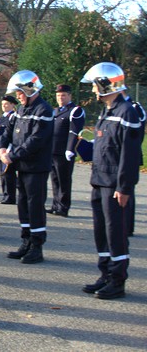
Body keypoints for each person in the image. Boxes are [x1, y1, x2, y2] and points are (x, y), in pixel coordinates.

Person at [80, 62, 141, 300]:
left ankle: (117, 280)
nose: (93, 91)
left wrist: (124, 187)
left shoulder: (127, 112)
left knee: (116, 233)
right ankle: (105, 274)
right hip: (99, 180)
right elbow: (103, 147)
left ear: (106, 85)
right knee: (101, 232)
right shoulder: (107, 111)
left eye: (96, 86)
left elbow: (129, 154)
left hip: (115, 185)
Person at [0, 70, 53, 264]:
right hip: (21, 166)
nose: (18, 97)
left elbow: (36, 140)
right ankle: (26, 241)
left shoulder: (43, 110)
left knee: (35, 205)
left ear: (30, 90)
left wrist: (13, 156)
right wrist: (2, 147)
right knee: (22, 204)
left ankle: (36, 246)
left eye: (20, 93)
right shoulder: (21, 110)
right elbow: (8, 130)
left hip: (36, 167)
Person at [47, 84, 85, 218]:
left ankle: (63, 207)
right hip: (53, 150)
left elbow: (74, 131)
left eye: (63, 95)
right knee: (55, 179)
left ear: (69, 96)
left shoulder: (75, 111)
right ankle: (55, 205)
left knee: (64, 180)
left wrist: (70, 149)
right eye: (58, 95)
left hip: (64, 151)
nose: (60, 98)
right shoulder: (55, 111)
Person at [121, 89, 145, 237]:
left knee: (126, 189)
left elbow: (137, 135)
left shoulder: (134, 107)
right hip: (114, 157)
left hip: (130, 155)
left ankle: (127, 226)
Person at [0, 95, 18, 205]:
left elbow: (12, 134)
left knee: (8, 173)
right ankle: (6, 194)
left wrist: (8, 149)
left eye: (6, 104)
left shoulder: (13, 117)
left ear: (13, 105)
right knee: (2, 173)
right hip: (0, 148)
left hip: (8, 149)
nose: (4, 106)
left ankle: (10, 196)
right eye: (2, 104)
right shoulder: (2, 117)